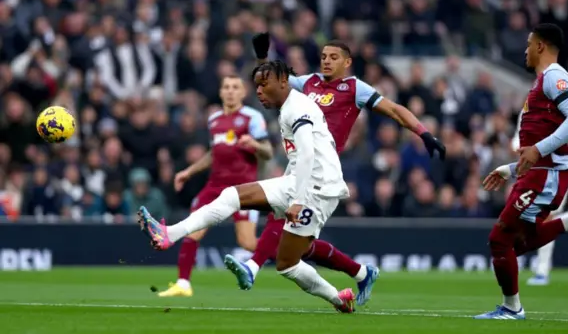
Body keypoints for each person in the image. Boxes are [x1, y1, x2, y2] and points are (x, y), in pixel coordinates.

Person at [222, 34, 446, 306]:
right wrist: (261, 58)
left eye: (334, 57)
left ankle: (252, 267)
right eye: (324, 56)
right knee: (300, 246)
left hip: (322, 171)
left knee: (281, 218)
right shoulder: (307, 82)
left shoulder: (355, 88)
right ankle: (361, 272)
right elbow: (271, 81)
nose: (327, 61)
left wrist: (424, 134)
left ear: (348, 62)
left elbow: (395, 110)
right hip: (300, 163)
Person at [139, 60, 358, 313]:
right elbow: (302, 158)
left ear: (283, 82)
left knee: (242, 208)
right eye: (257, 86)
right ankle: (340, 299)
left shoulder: (297, 107)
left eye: (265, 85)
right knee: (284, 260)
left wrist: (297, 199)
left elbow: (308, 154)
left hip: (316, 188)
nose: (259, 91)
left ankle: (170, 235)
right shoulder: (288, 106)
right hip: (307, 183)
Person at [475, 23, 568, 320]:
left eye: (528, 44)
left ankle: (512, 308)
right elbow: (539, 148)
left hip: (544, 177)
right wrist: (510, 169)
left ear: (540, 46)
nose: (525, 50)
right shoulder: (542, 82)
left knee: (500, 240)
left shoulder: (554, 76)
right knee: (517, 244)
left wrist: (536, 151)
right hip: (538, 174)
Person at [156, 75, 273, 297]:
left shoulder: (252, 117)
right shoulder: (214, 120)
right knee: (192, 230)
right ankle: (183, 283)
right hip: (215, 186)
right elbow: (214, 153)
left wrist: (255, 144)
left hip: (244, 189)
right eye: (226, 87)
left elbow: (267, 151)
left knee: (247, 242)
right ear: (220, 92)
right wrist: (188, 172)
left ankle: (291, 256)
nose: (230, 91)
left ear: (243, 92)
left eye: (235, 87)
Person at [510, 122, 568, 286]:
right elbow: (516, 138)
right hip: (534, 170)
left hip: (557, 171)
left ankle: (541, 271)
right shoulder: (532, 110)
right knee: (530, 215)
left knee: (546, 216)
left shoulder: (562, 113)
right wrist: (516, 147)